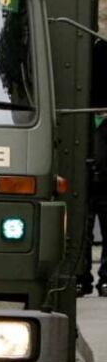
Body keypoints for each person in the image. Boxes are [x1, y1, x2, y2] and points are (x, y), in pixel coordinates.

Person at [78, 111, 107, 296]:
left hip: (105, 183)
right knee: (82, 235)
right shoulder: (82, 119)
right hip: (84, 185)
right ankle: (82, 278)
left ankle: (105, 279)